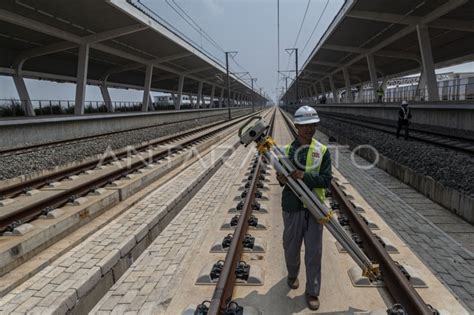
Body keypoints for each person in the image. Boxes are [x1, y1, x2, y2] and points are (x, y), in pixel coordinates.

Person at [276, 105, 332, 311]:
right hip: (292, 207)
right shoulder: (286, 151)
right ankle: (292, 274)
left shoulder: (322, 151)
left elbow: (326, 180)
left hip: (315, 208)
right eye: (305, 125)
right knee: (290, 247)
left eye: (313, 125)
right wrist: (281, 178)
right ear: (297, 126)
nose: (310, 129)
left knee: (314, 252)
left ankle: (312, 291)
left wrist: (303, 176)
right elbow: (282, 180)